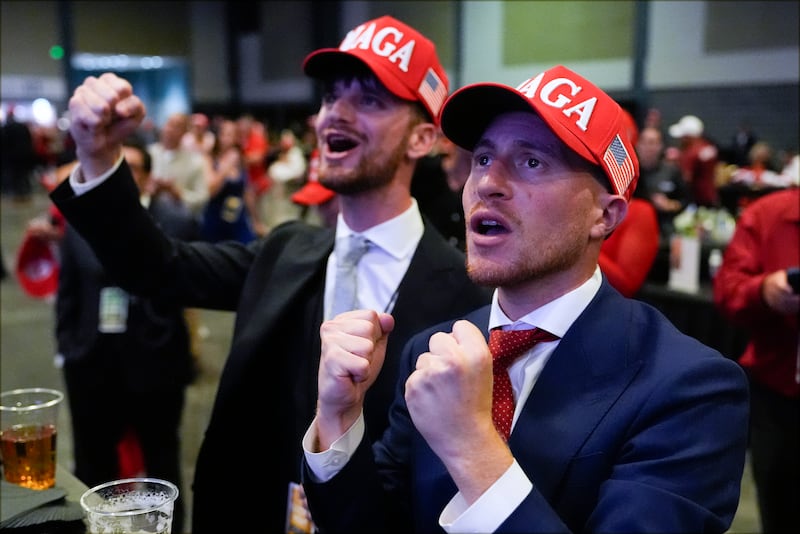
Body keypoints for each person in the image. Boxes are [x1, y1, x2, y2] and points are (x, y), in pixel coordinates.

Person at [52, 15, 490, 534]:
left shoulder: (469, 295)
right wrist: (98, 156)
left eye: (369, 100)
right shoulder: (288, 250)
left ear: (421, 139)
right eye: (330, 96)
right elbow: (156, 268)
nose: (335, 115)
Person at [301, 65, 750, 533]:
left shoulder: (690, 388)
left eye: (532, 161)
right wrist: (338, 419)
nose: (488, 183)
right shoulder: (431, 350)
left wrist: (473, 445)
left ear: (606, 214)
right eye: (481, 159)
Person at [55, 139, 196, 534]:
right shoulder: (81, 222)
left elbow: (188, 285)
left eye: (134, 168)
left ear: (149, 178)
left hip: (156, 364)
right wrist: (67, 348)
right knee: (91, 465)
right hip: (92, 363)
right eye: (119, 168)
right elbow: (69, 292)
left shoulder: (174, 221)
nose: (126, 176)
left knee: (163, 464)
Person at [712, 186, 800, 534]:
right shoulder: (768, 215)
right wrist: (763, 291)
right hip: (778, 394)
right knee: (781, 508)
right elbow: (727, 289)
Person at [200, 118, 258, 243]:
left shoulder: (240, 160)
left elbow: (247, 191)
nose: (228, 139)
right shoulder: (209, 159)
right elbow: (211, 190)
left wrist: (255, 221)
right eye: (225, 134)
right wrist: (226, 166)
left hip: (238, 217)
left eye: (232, 135)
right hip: (215, 219)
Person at [634, 125, 690, 240]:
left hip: (664, 230)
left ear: (660, 146)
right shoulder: (630, 171)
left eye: (652, 142)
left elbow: (686, 201)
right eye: (644, 142)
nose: (647, 147)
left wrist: (670, 205)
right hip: (636, 229)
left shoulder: (671, 171)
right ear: (638, 145)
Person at [668, 114, 720, 207]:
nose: (680, 140)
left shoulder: (690, 153)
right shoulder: (708, 146)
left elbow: (686, 179)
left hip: (697, 201)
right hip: (711, 196)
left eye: (683, 137)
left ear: (689, 137)